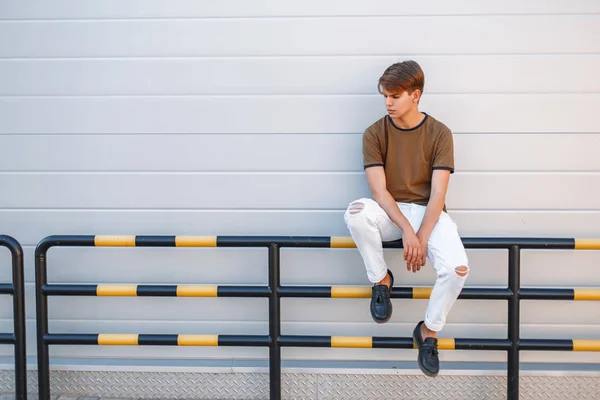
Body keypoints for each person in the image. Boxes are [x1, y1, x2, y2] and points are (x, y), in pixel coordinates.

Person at [344, 60, 469, 377]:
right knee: (355, 214)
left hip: (430, 212)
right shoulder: (375, 132)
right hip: (389, 211)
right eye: (385, 95)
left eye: (395, 96)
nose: (388, 102)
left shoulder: (440, 133)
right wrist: (406, 232)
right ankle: (381, 280)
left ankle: (428, 331)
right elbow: (379, 192)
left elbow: (438, 194)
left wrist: (421, 236)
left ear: (415, 95)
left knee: (458, 269)